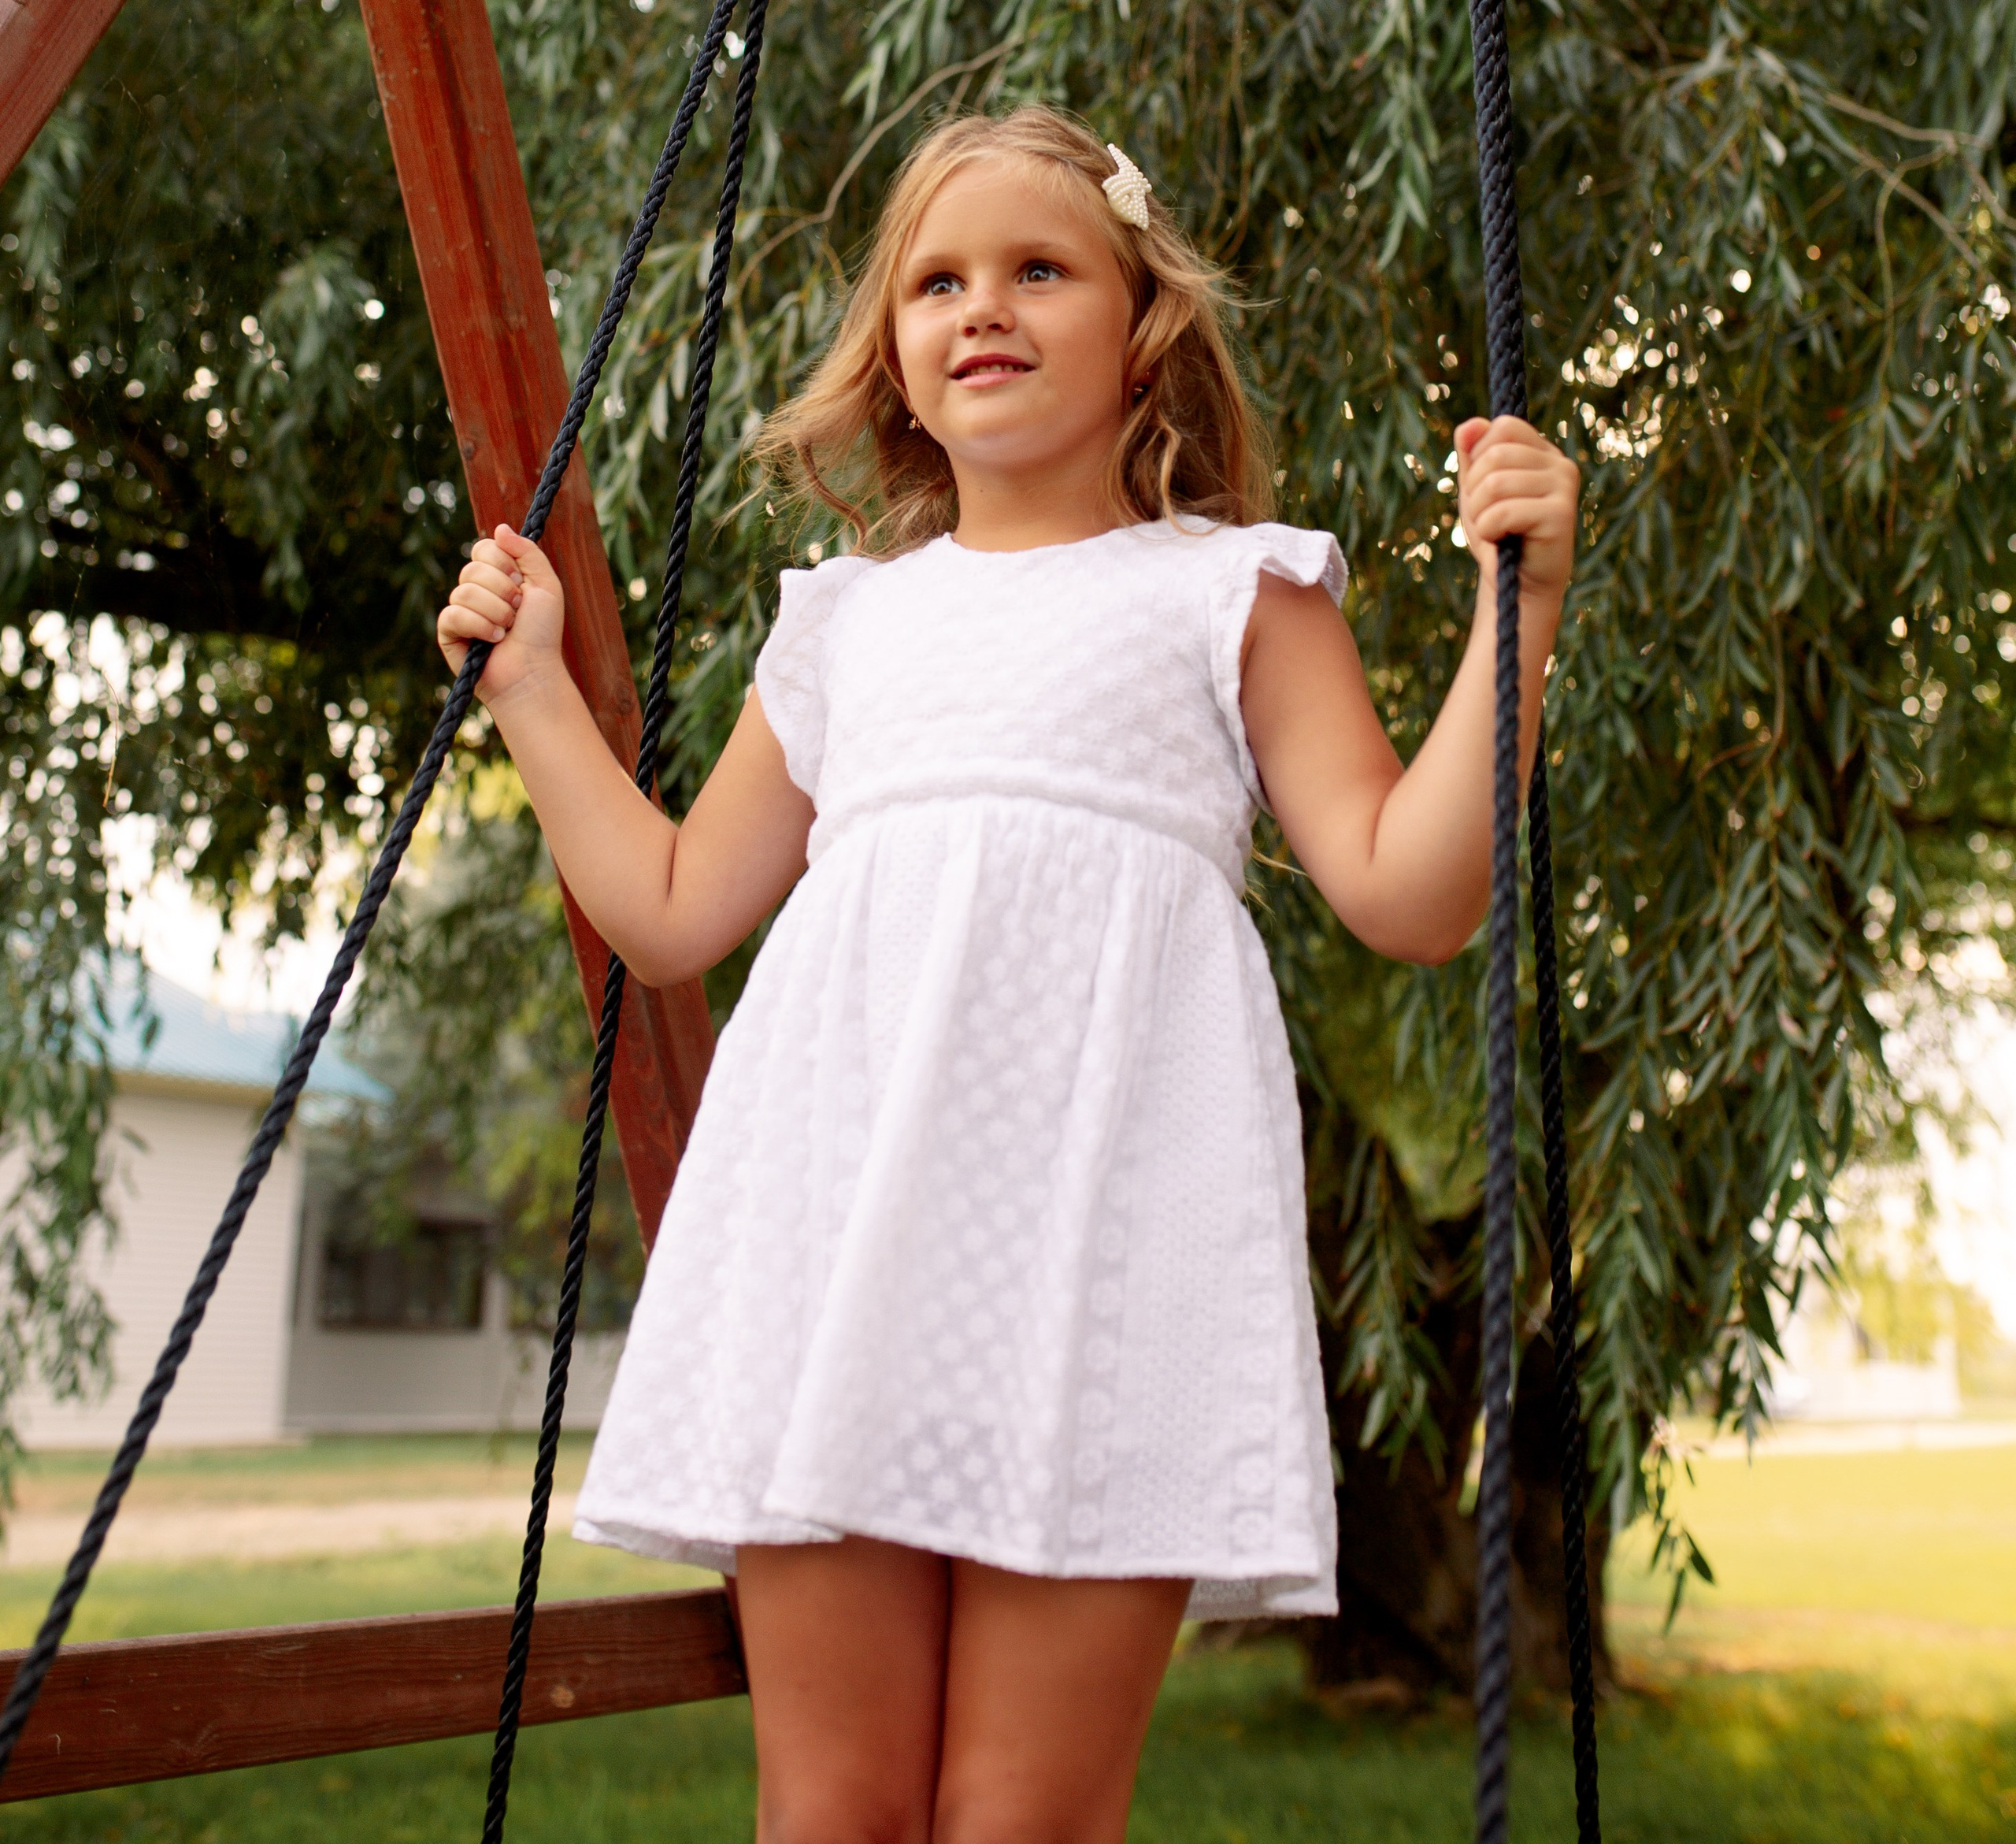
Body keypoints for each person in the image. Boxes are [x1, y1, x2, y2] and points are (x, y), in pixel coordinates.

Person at [436, 103, 1578, 1844]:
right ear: (894, 360)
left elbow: (1404, 891)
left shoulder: (1234, 594)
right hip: (839, 1252)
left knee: (1017, 1817)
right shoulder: (843, 624)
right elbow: (668, 906)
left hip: (1105, 1267)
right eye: (937, 281)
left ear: (1144, 336)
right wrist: (527, 691)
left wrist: (1524, 611)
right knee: (831, 1813)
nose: (982, 306)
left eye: (1039, 269)